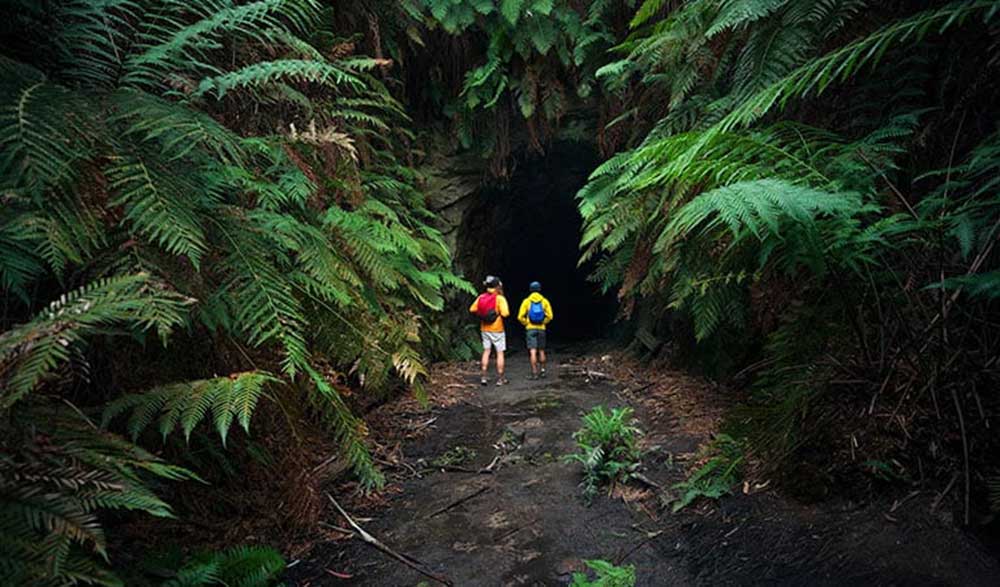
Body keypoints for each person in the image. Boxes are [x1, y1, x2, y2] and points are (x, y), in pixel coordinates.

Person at [470, 275, 510, 386]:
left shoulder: (481, 297)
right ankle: (500, 379)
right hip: (497, 329)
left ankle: (483, 377)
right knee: (499, 353)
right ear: (497, 286)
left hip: (485, 328)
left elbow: (472, 309)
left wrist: (483, 315)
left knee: (486, 351)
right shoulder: (499, 298)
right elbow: (505, 313)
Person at [518, 281, 553, 380]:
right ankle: (543, 371)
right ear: (539, 289)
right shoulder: (544, 301)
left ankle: (534, 373)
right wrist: (543, 322)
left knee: (532, 351)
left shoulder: (526, 301)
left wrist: (526, 323)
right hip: (541, 328)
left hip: (530, 329)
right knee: (541, 350)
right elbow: (550, 316)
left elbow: (520, 317)